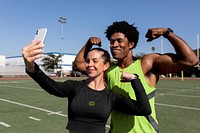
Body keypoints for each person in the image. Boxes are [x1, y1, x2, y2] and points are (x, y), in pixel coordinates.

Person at [73, 21, 199, 133]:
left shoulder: (147, 63)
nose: (114, 45)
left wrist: (167, 33)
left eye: (119, 41)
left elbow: (190, 60)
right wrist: (89, 43)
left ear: (131, 44)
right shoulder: (108, 69)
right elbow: (79, 65)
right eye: (111, 42)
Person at [22, 40, 151, 133]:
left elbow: (143, 109)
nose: (89, 64)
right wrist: (31, 66)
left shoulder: (111, 97)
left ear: (106, 65)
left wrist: (134, 79)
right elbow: (51, 87)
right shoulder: (74, 87)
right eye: (88, 61)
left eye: (95, 61)